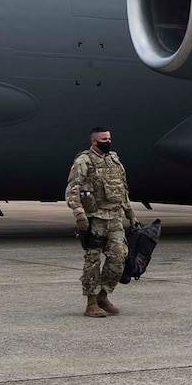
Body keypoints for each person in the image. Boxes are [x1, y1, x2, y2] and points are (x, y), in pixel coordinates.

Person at [66, 128, 133, 318]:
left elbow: (123, 188)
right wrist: (79, 214)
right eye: (104, 139)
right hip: (95, 219)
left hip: (114, 217)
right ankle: (91, 302)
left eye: (109, 138)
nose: (108, 141)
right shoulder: (83, 161)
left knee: (119, 257)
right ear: (94, 142)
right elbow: (73, 189)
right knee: (92, 261)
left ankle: (103, 295)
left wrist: (129, 212)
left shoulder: (114, 160)